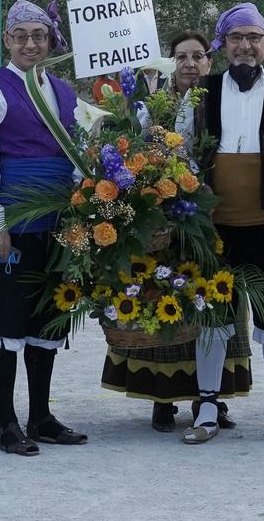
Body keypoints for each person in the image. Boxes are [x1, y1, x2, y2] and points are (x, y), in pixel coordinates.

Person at [99, 27, 254, 437]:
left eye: (197, 57)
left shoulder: (225, 99)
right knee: (166, 297)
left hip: (216, 217)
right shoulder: (153, 106)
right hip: (166, 218)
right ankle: (162, 398)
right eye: (182, 57)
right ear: (172, 63)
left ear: (209, 61)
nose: (190, 64)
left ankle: (211, 398)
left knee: (215, 303)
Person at [0, 0, 87, 456]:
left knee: (48, 318)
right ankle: (6, 424)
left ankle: (40, 416)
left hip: (59, 224)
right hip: (12, 223)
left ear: (51, 39)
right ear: (7, 40)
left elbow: (80, 151)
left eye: (40, 35)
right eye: (22, 35)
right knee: (9, 320)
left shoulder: (65, 91)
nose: (31, 43)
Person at [179, 4, 264, 446]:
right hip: (215, 225)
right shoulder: (202, 91)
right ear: (223, 45)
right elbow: (183, 151)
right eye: (236, 38)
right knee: (212, 316)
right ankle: (208, 407)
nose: (245, 45)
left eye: (254, 36)